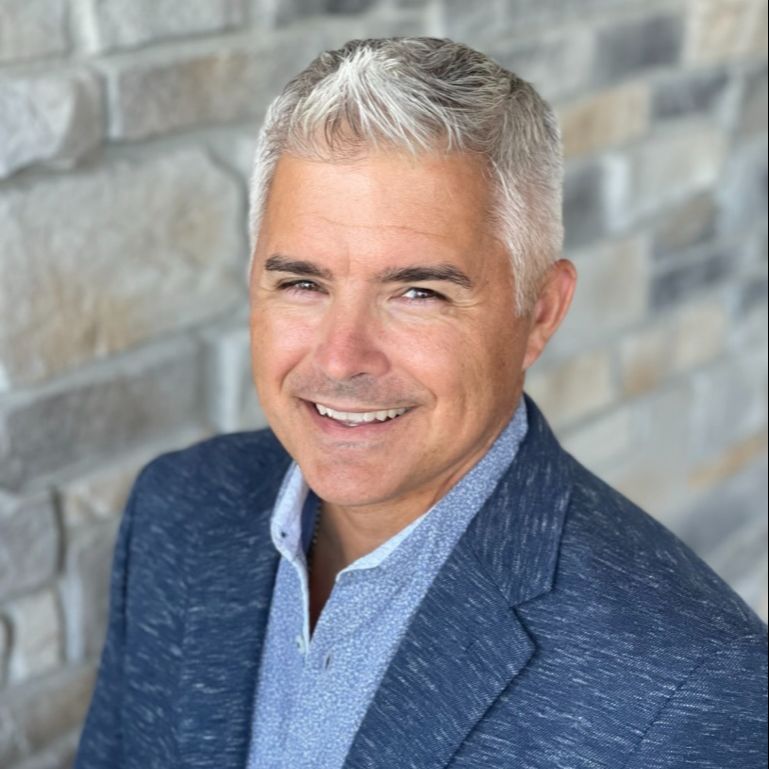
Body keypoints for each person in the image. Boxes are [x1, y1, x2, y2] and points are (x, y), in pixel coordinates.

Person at [75, 37, 767, 769]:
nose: (340, 358)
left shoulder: (694, 687)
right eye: (303, 284)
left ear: (538, 313)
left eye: (417, 292)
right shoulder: (177, 512)